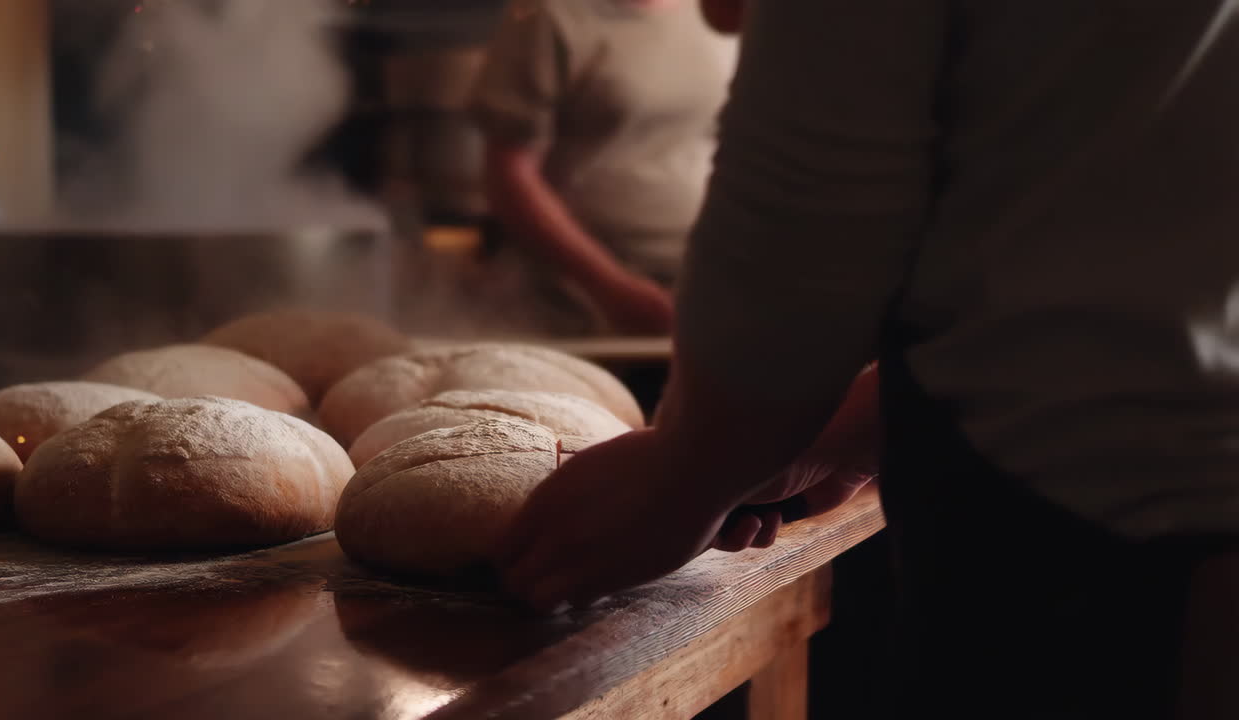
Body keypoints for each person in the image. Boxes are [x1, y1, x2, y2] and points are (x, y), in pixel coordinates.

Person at [497, 0, 1239, 717]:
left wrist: (688, 474)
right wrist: (843, 432)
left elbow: (807, 239)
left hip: (1108, 558)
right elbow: (1117, 230)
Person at [471, 0, 737, 335]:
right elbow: (508, 176)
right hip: (575, 296)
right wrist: (610, 287)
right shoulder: (549, 14)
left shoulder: (724, 13)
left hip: (701, 281)